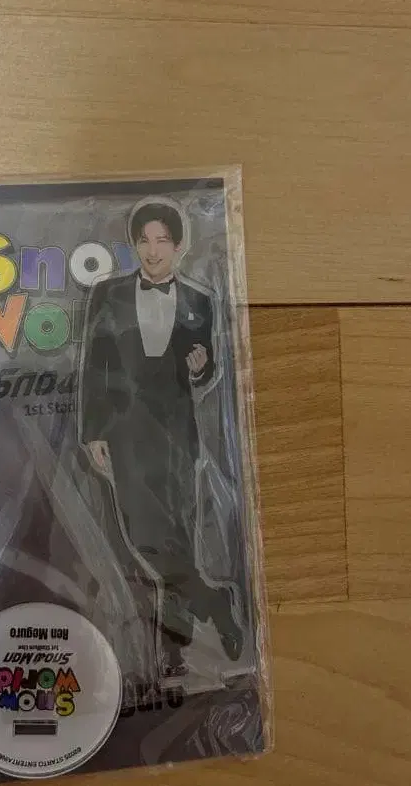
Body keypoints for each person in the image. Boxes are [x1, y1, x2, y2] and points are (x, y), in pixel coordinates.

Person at [78, 198, 243, 676]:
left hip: (176, 436)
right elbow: (94, 365)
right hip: (125, 434)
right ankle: (213, 601)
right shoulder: (106, 295)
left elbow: (206, 369)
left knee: (179, 538)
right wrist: (93, 431)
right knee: (144, 537)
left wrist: (201, 366)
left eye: (162, 241)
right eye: (144, 241)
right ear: (135, 245)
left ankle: (172, 651)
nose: (152, 251)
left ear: (179, 246)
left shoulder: (200, 301)